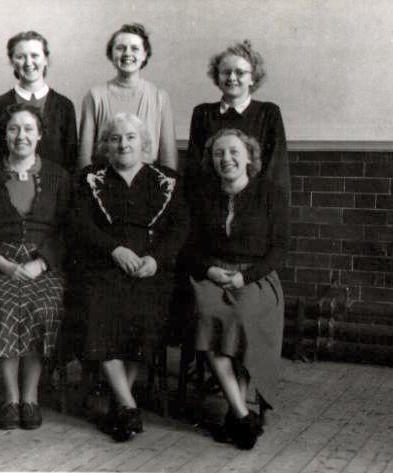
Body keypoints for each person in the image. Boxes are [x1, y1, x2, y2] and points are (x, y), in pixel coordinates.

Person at [72, 112, 187, 441]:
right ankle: (126, 402)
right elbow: (81, 224)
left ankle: (121, 405)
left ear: (145, 144)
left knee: (147, 312)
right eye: (115, 138)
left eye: (131, 137)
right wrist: (114, 249)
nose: (123, 144)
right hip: (103, 265)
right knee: (98, 309)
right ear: (105, 146)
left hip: (150, 268)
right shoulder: (90, 178)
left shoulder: (166, 180)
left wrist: (156, 258)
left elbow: (180, 229)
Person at [0, 103, 71, 430]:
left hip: (44, 266)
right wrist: (3, 264)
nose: (21, 136)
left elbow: (67, 230)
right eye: (14, 129)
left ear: (40, 134)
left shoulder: (58, 176)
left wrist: (42, 263)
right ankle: (11, 399)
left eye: (28, 129)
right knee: (4, 306)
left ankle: (31, 397)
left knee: (43, 306)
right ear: (5, 135)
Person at [187, 128, 289, 449]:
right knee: (209, 315)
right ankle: (243, 414)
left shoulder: (270, 194)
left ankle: (236, 411)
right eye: (219, 153)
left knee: (244, 317)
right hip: (212, 274)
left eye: (233, 152)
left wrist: (245, 277)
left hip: (255, 277)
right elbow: (188, 247)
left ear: (249, 157)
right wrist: (210, 269)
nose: (226, 159)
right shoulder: (202, 195)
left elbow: (280, 250)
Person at [186, 40, 289, 194]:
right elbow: (194, 171)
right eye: (226, 72)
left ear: (252, 78)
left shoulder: (268, 113)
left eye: (240, 72)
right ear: (217, 77)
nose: (232, 77)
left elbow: (275, 173)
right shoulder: (202, 114)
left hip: (255, 206)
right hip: (210, 204)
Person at [78, 23, 177, 170]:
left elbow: (169, 161)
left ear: (144, 55)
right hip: (103, 183)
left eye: (135, 48)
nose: (127, 53)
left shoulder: (159, 97)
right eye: (120, 48)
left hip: (148, 185)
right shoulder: (95, 97)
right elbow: (84, 159)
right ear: (111, 54)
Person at [0, 31, 77, 172]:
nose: (28, 63)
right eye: (20, 57)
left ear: (46, 60)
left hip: (54, 189)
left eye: (35, 55)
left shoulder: (64, 106)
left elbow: (70, 160)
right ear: (12, 62)